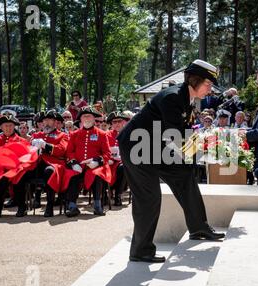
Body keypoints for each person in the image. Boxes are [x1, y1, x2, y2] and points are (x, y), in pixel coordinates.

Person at [117, 59, 225, 264]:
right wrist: (201, 148)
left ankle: (198, 227)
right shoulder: (172, 97)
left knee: (186, 174)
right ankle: (140, 250)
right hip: (136, 148)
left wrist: (200, 148)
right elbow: (175, 135)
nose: (210, 90)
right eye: (208, 84)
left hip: (155, 148)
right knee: (149, 198)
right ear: (195, 80)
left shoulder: (186, 97)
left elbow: (180, 134)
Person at [65, 107, 112, 217]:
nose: (86, 118)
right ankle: (72, 206)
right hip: (79, 165)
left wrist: (97, 161)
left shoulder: (101, 134)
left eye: (89, 116)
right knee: (72, 174)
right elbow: (69, 151)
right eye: (84, 116)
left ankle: (97, 205)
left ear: (94, 118)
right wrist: (74, 163)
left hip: (96, 166)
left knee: (96, 175)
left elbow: (107, 153)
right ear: (80, 119)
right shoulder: (74, 134)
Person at [30, 111, 69, 217]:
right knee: (22, 171)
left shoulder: (62, 135)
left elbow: (61, 150)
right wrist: (32, 146)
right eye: (44, 120)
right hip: (37, 163)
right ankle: (21, 205)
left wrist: (45, 145)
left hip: (54, 164)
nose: (46, 122)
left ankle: (50, 206)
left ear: (55, 122)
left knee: (49, 172)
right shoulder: (36, 135)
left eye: (49, 120)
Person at [0, 115, 27, 219]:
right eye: (6, 126)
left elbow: (25, 157)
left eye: (11, 125)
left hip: (18, 169)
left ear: (14, 127)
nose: (8, 128)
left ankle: (22, 207)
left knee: (19, 179)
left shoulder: (21, 141)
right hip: (1, 170)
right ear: (1, 127)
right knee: (2, 180)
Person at [106, 111, 130, 206]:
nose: (117, 124)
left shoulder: (129, 134)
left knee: (123, 167)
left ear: (123, 122)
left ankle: (118, 195)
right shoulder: (106, 135)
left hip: (123, 162)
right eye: (114, 122)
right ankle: (104, 194)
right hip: (109, 162)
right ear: (111, 124)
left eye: (119, 121)